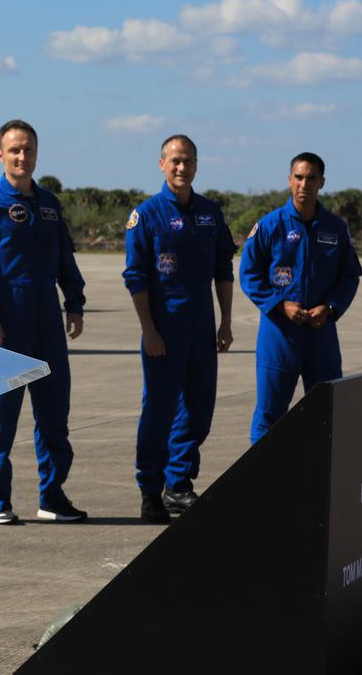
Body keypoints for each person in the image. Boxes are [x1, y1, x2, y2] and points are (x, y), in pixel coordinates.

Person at [0, 119, 87, 524]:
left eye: (28, 149)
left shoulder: (49, 206)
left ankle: (52, 497)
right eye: (14, 150)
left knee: (54, 413)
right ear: (0, 155)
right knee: (0, 414)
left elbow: (66, 259)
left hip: (47, 321)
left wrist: (75, 302)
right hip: (6, 324)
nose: (22, 156)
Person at [123, 134, 235, 523]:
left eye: (187, 161)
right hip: (163, 332)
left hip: (201, 329)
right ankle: (150, 490)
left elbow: (223, 269)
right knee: (158, 412)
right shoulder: (147, 215)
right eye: (174, 161)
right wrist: (149, 330)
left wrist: (226, 321)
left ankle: (179, 484)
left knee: (199, 410)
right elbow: (135, 277)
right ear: (161, 165)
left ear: (197, 165)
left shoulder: (210, 213)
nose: (181, 168)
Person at [239, 153, 362, 443]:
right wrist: (280, 305)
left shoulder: (335, 228)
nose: (304, 183)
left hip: (321, 334)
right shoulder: (270, 226)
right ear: (289, 179)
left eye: (311, 178)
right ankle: (266, 484)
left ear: (322, 182)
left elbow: (349, 276)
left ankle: (320, 486)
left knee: (328, 413)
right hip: (279, 334)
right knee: (269, 415)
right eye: (298, 177)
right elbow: (249, 275)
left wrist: (331, 308)